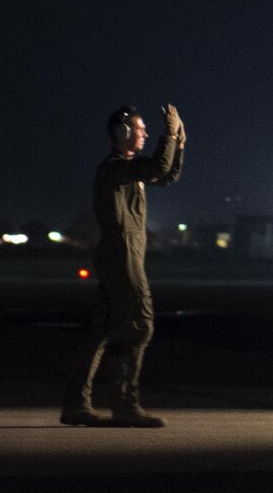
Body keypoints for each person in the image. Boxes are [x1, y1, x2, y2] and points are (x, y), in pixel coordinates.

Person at [61, 103, 185, 427]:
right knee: (139, 325)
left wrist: (179, 143)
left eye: (146, 130)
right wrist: (168, 134)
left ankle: (76, 405)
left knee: (101, 332)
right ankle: (125, 405)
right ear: (123, 133)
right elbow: (158, 167)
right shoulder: (114, 168)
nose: (144, 134)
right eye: (140, 129)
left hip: (123, 254)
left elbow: (167, 174)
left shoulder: (128, 169)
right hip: (122, 255)